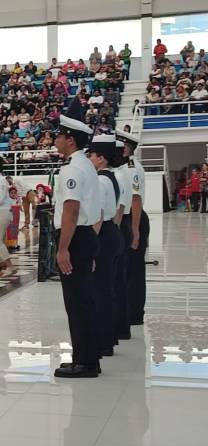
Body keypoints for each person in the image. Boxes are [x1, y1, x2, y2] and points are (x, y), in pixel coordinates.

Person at [52, 101, 101, 378]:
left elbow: (71, 210)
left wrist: (63, 250)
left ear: (70, 139)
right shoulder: (85, 166)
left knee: (78, 303)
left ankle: (85, 362)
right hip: (85, 237)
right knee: (84, 301)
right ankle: (86, 357)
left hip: (75, 238)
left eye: (59, 135)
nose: (56, 139)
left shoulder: (72, 169)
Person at [87, 134, 125, 358]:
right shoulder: (112, 178)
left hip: (102, 233)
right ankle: (108, 338)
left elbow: (98, 216)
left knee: (100, 290)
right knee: (106, 288)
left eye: (92, 155)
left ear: (101, 158)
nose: (90, 159)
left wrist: (92, 248)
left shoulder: (100, 181)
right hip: (112, 232)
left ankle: (103, 340)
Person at [116, 130, 149, 326]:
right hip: (128, 217)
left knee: (134, 270)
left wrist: (135, 230)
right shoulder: (123, 167)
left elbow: (135, 200)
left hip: (133, 218)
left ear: (127, 148)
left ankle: (134, 313)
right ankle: (128, 310)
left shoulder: (131, 168)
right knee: (127, 268)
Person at [113, 140, 133, 340]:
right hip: (122, 226)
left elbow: (119, 209)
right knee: (119, 280)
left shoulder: (118, 175)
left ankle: (118, 327)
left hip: (118, 226)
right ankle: (122, 326)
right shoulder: (123, 172)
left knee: (116, 281)